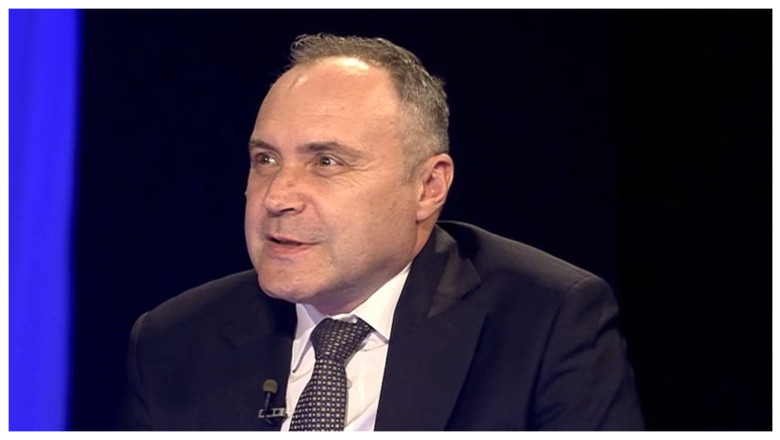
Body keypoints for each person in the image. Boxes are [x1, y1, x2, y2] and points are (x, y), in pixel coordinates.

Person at [118, 33, 644, 431]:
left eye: (326, 161)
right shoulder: (174, 341)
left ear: (428, 187)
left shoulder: (545, 321)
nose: (277, 197)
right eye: (265, 159)